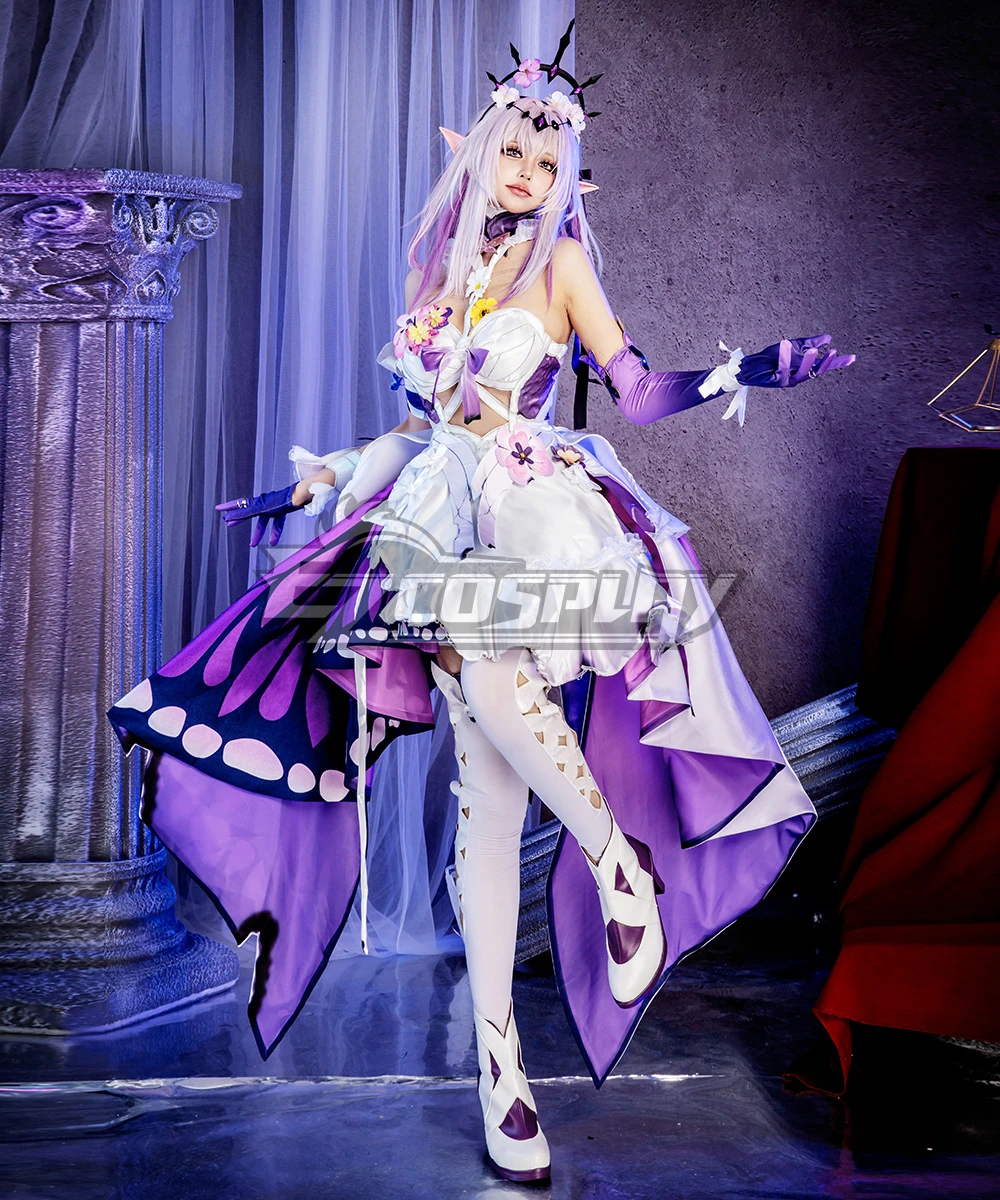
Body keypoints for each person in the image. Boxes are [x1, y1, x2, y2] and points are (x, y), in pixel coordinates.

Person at [108, 25, 852, 1185]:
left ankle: (616, 866)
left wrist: (741, 372)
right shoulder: (439, 271)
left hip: (526, 508)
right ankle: (501, 1070)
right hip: (433, 501)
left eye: (550, 163)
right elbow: (419, 425)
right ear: (481, 150)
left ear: (567, 176)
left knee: (492, 688)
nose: (529, 175)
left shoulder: (564, 267)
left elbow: (636, 390)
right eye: (516, 152)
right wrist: (311, 483)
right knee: (484, 806)